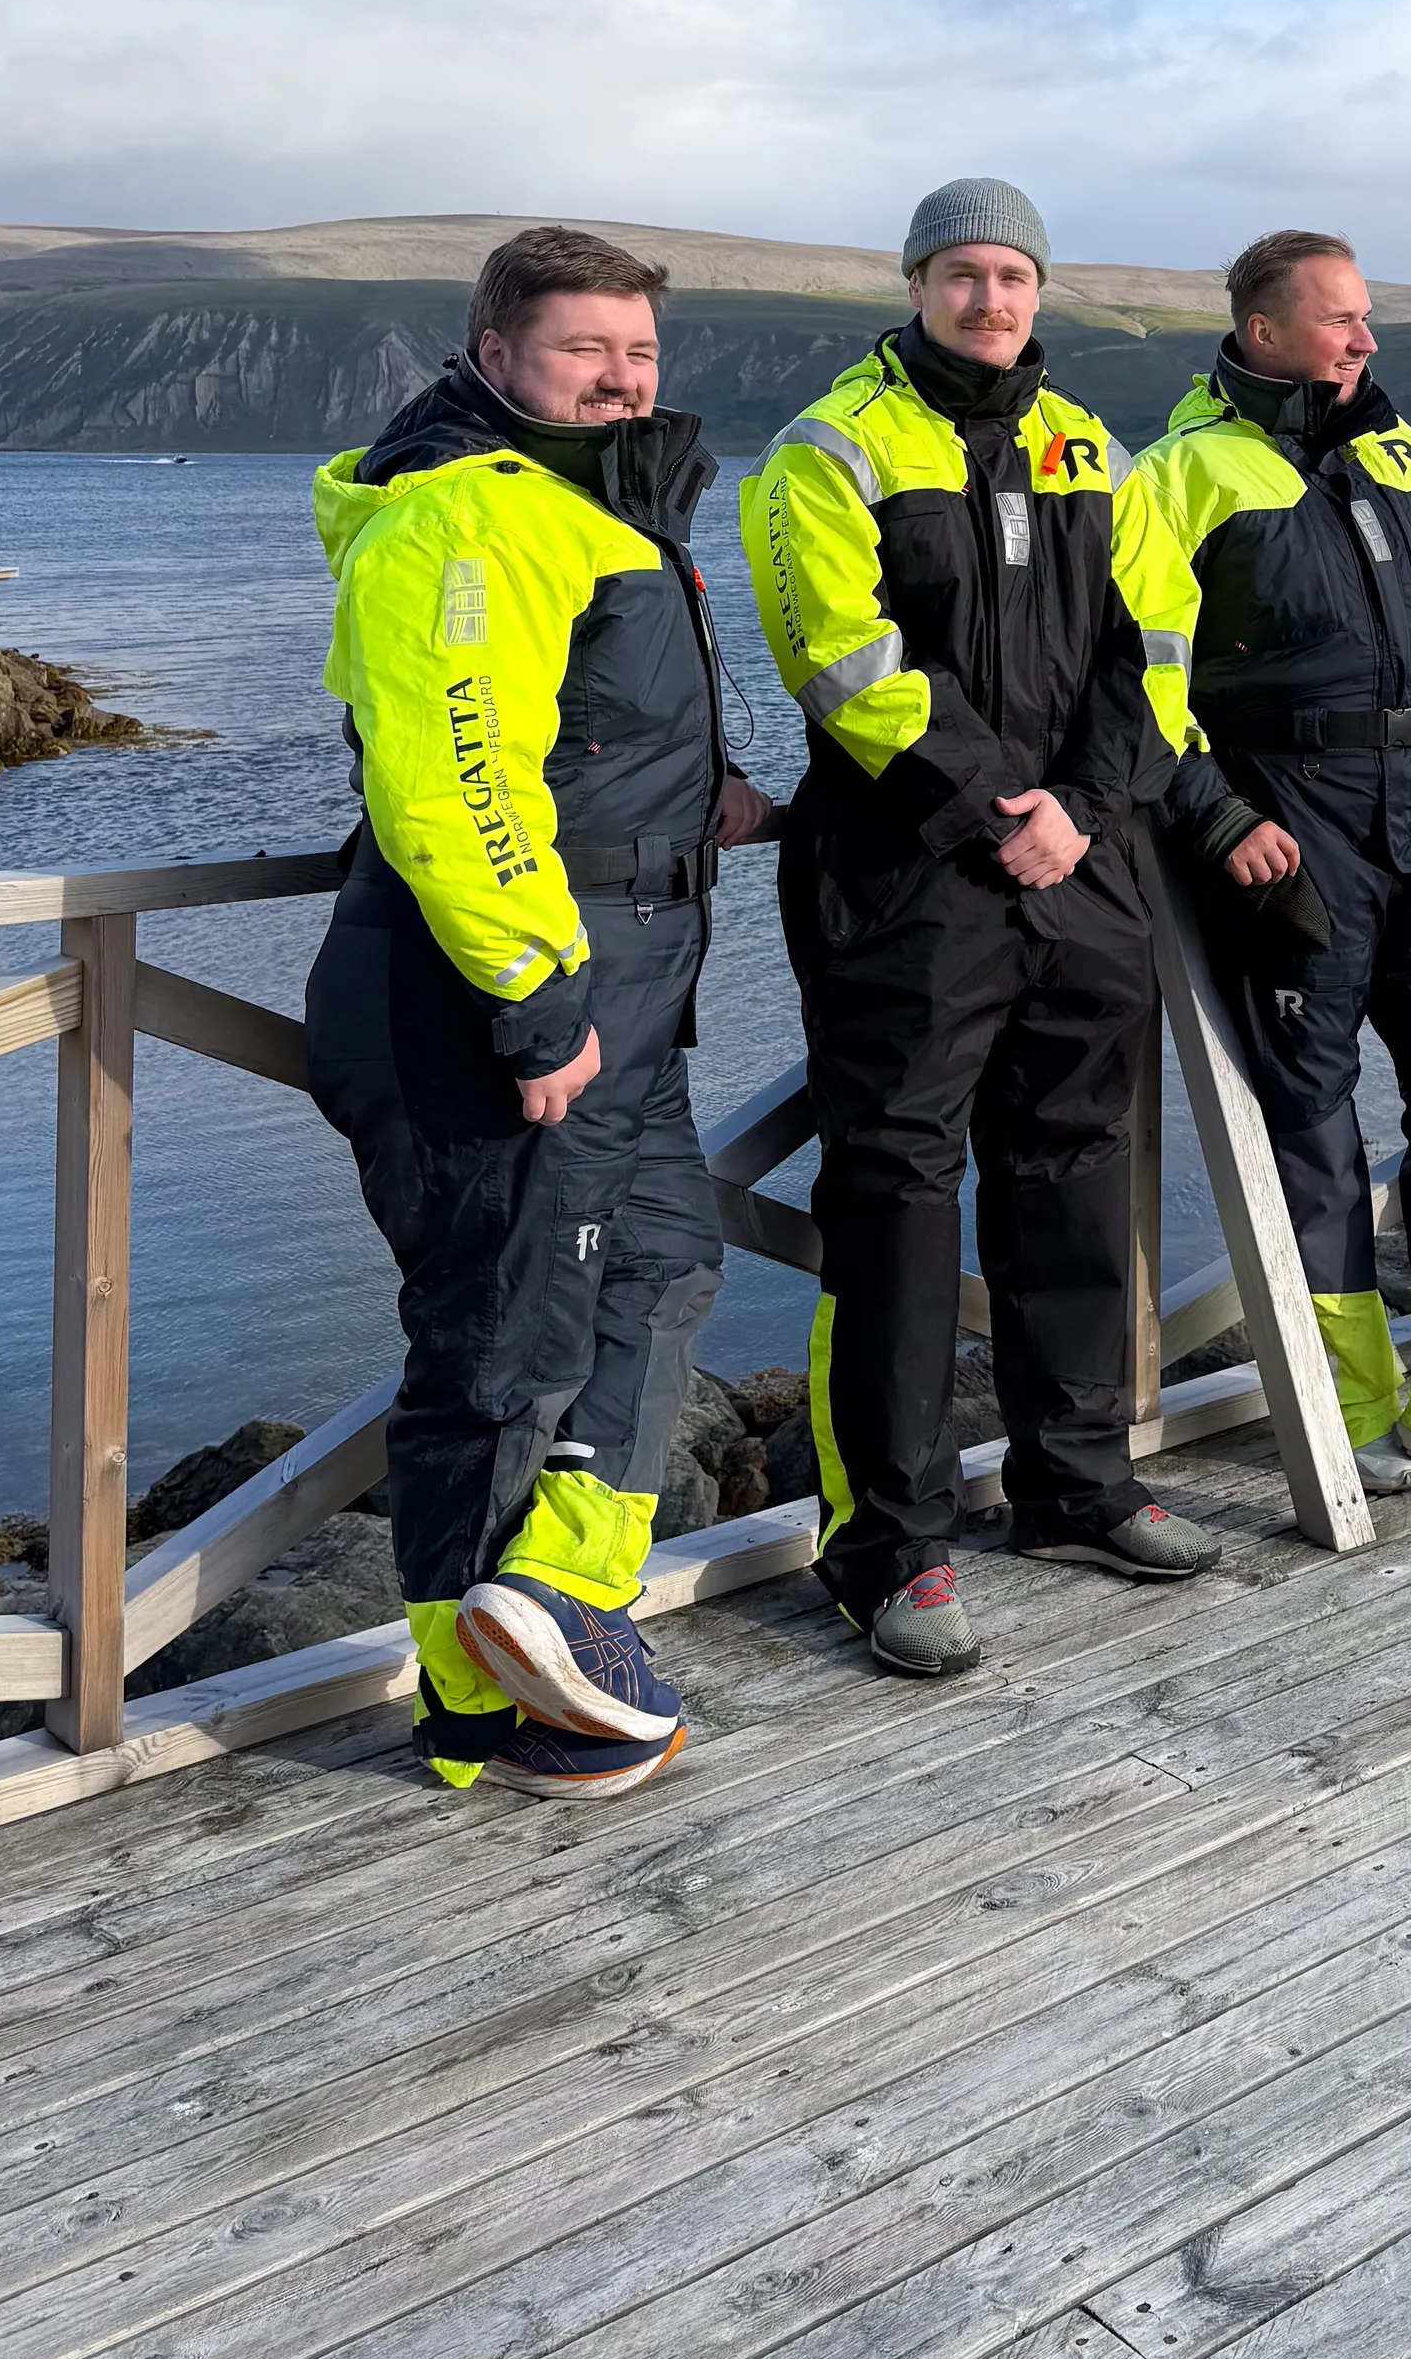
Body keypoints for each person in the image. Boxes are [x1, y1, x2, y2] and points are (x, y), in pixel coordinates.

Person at [307, 224, 778, 1799]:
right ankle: (473, 1710)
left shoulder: (587, 506)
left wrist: (707, 800)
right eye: (589, 350)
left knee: (662, 1267)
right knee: (498, 1352)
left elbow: (574, 733)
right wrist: (534, 1000)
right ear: (497, 352)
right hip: (494, 997)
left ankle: (565, 1605)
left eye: (640, 353)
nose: (624, 378)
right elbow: (452, 773)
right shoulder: (465, 513)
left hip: (629, 986)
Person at [739, 177, 1223, 1682]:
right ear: (914, 283)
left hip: (1082, 867)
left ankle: (1074, 1483)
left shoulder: (1097, 449)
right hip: (905, 872)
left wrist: (1080, 801)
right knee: (891, 1191)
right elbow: (840, 654)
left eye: (1013, 273)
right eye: (963, 272)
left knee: (1071, 1170)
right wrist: (999, 804)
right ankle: (887, 1546)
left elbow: (1155, 646)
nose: (991, 298)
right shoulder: (830, 443)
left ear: (1040, 291)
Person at [1136, 230, 1411, 1513]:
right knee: (1314, 1133)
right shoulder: (1183, 476)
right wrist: (1216, 813)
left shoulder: (1406, 463)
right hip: (1297, 834)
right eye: (1340, 319)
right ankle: (1353, 1409)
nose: (1365, 340)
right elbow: (1142, 673)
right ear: (1265, 329)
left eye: (1369, 318)